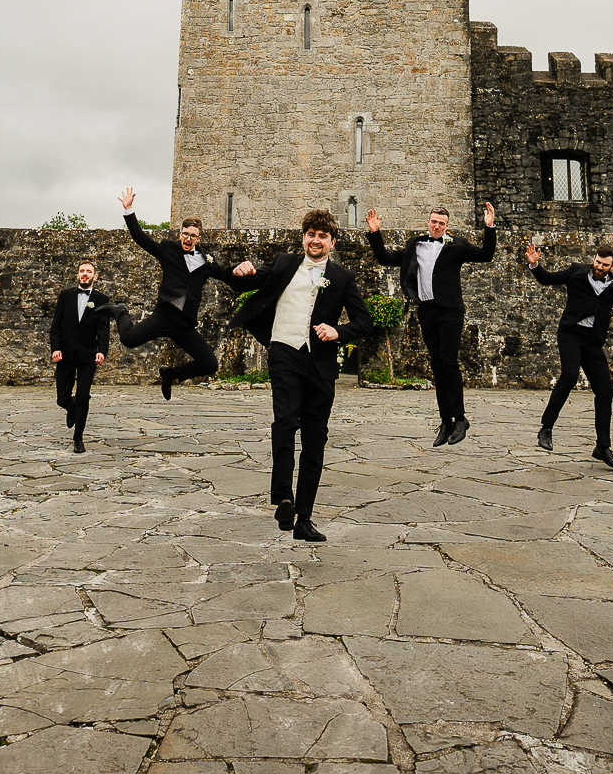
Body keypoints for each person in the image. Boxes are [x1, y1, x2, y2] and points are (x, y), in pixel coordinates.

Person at [227, 208, 371, 543]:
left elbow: (364, 321)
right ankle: (283, 498)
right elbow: (245, 283)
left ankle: (304, 517)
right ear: (303, 237)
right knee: (285, 422)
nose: (315, 240)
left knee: (315, 440)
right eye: (310, 234)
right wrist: (240, 270)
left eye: (322, 236)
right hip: (284, 353)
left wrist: (339, 332)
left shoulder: (342, 277)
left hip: (320, 365)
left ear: (332, 242)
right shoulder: (282, 263)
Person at [366, 202, 496, 447]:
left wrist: (490, 228)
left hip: (450, 310)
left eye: (442, 223)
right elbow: (385, 258)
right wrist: (375, 233)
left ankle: (460, 419)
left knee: (449, 361)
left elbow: (485, 255)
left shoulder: (457, 245)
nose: (437, 226)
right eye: (434, 222)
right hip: (427, 310)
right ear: (428, 222)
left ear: (447, 227)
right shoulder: (415, 244)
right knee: (437, 365)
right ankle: (445, 421)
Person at [524, 241, 613, 471]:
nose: (599, 266)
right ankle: (546, 428)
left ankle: (602, 447)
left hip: (593, 341)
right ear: (594, 259)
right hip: (571, 334)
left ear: (612, 265)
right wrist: (535, 264)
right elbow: (547, 278)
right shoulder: (576, 271)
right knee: (569, 375)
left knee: (605, 390)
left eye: (605, 265)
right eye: (597, 262)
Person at [110, 188, 244, 398]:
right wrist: (129, 210)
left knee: (210, 364)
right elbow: (140, 238)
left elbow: (226, 274)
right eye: (185, 234)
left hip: (185, 323)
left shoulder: (206, 260)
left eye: (193, 236)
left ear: (198, 238)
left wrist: (238, 270)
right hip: (165, 315)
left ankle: (171, 374)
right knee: (128, 340)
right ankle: (120, 311)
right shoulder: (168, 249)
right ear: (180, 233)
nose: (188, 238)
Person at [49, 259, 115, 452]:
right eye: (81, 271)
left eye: (88, 271)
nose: (84, 274)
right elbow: (55, 326)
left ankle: (78, 438)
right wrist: (56, 348)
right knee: (62, 398)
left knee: (83, 395)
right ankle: (70, 408)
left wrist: (102, 351)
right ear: (77, 275)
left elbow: (104, 329)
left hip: (88, 355)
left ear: (95, 276)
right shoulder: (66, 295)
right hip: (66, 354)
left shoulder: (102, 299)